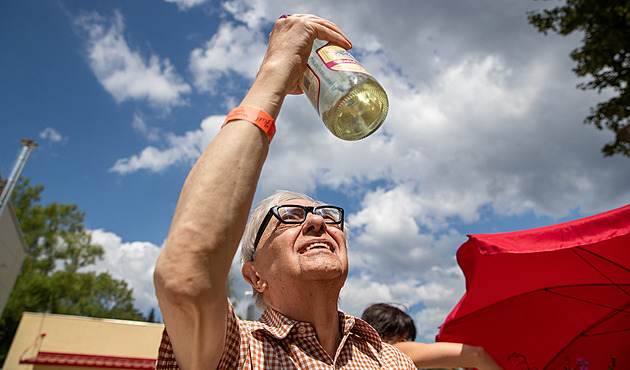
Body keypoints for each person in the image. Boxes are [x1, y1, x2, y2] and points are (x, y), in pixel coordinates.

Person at [153, 14, 416, 369]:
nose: (317, 223)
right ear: (254, 276)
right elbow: (185, 276)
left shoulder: (392, 362)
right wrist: (276, 69)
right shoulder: (237, 349)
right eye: (290, 217)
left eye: (327, 216)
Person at [362, 303, 503, 369]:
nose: (406, 344)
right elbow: (477, 355)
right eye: (402, 339)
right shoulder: (391, 351)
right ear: (384, 334)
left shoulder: (351, 355)